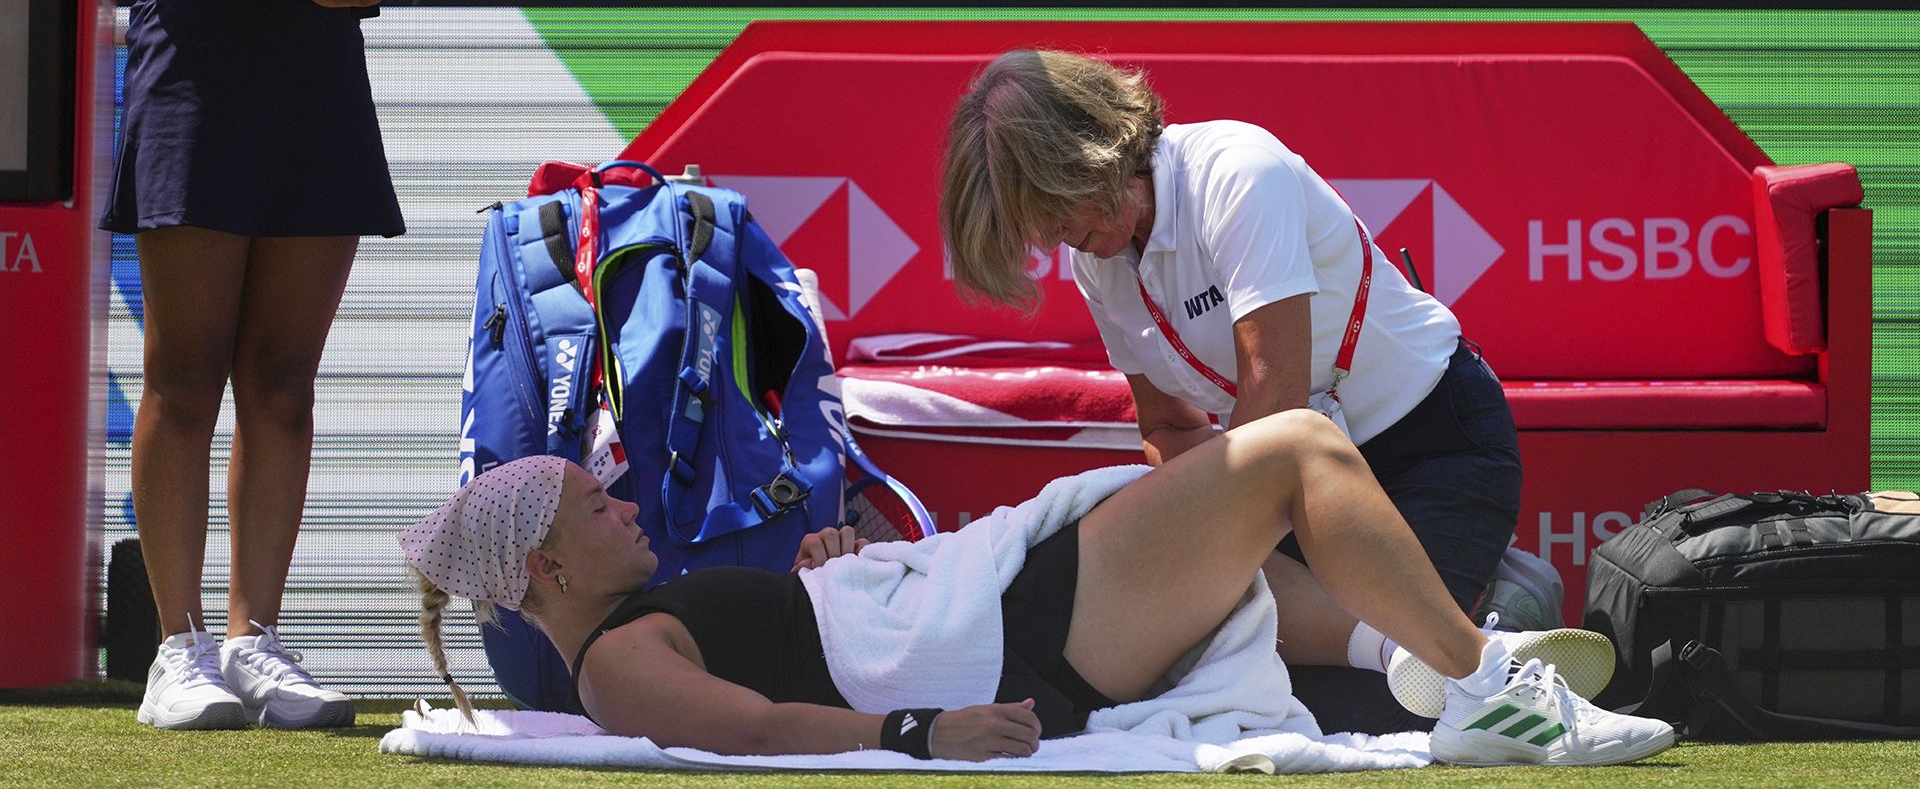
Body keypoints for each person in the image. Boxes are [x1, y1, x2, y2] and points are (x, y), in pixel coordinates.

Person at [937, 49, 1603, 734]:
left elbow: (1274, 397)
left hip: (1432, 446)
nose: (1052, 237)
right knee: (1247, 692)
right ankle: (1461, 642)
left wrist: (1223, 542)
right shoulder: (1097, 261)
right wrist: (1199, 543)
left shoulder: (1234, 168)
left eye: (1050, 208)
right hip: (1296, 483)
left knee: (1360, 708)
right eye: (1035, 225)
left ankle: (1504, 606)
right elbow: (1166, 426)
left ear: (1092, 148)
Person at [402, 425, 1675, 767]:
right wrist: (916, 734)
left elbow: (786, 663)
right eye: (596, 505)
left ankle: (1426, 661)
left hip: (983, 620)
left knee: (1233, 525)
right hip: (1002, 647)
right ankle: (1485, 684)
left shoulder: (650, 612)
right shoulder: (615, 659)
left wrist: (842, 578)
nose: (625, 504)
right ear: (549, 570)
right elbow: (743, 731)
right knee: (1289, 451)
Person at [110, 0, 408, 730]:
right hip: (193, 41)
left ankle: (254, 640)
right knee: (185, 371)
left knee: (283, 379)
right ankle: (178, 649)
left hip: (318, 48)